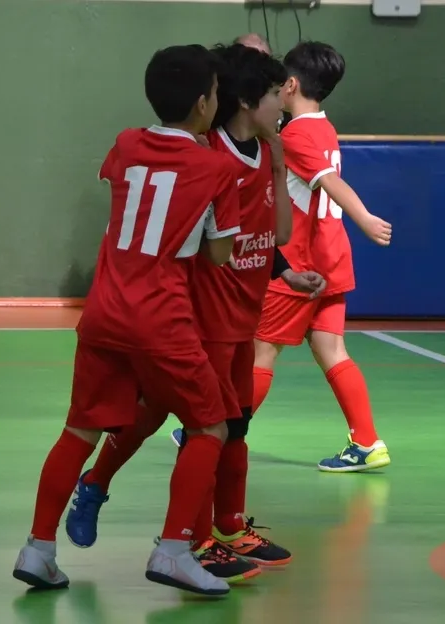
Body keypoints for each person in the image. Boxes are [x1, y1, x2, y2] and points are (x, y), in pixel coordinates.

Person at [63, 43, 324, 581]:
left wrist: (283, 267)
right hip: (198, 318)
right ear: (246, 101)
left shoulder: (264, 152)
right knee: (185, 423)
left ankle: (226, 526)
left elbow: (274, 233)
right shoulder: (209, 154)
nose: (283, 103)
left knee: (232, 425)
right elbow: (201, 238)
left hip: (243, 316)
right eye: (275, 94)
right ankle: (189, 538)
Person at [11, 43, 242, 596]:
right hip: (160, 317)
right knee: (210, 426)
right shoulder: (218, 167)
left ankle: (38, 550)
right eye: (214, 93)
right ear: (204, 104)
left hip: (103, 313)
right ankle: (173, 550)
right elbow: (219, 255)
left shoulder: (126, 143)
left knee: (79, 429)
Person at [252, 41, 394, 472]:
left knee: (260, 352)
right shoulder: (325, 128)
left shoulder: (295, 135)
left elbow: (329, 181)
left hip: (301, 262)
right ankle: (367, 441)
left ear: (291, 85)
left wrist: (365, 218)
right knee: (332, 350)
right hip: (333, 259)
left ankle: (220, 430)